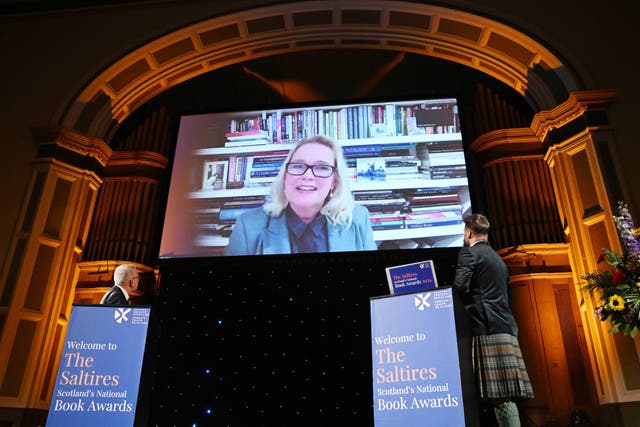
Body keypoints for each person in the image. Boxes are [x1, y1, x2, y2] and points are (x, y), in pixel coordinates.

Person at [224, 135, 377, 255]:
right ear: (285, 177)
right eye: (298, 165)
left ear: (334, 182)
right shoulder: (248, 225)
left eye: (322, 167)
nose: (308, 175)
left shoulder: (358, 218)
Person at [453, 213, 533, 427]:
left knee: (501, 396)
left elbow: (459, 288)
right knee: (504, 396)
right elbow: (508, 295)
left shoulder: (469, 254)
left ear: (468, 232)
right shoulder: (498, 258)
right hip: (505, 325)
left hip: (487, 327)